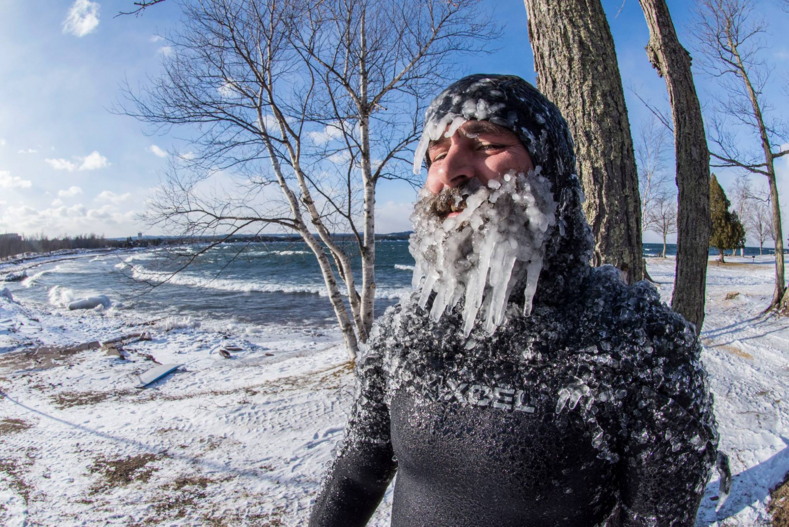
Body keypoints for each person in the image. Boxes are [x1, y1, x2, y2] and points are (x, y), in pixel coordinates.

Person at [309, 74, 718, 526]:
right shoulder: (403, 335)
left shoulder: (639, 342)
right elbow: (354, 478)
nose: (448, 172)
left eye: (484, 144)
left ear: (550, 168)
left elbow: (658, 518)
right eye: (437, 155)